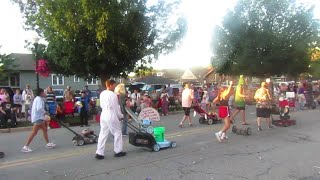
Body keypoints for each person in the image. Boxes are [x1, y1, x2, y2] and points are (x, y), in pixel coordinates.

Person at [95, 80, 126, 160]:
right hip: (111, 113)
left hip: (104, 114)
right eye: (114, 85)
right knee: (117, 132)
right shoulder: (113, 95)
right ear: (111, 85)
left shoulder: (102, 93)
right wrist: (120, 116)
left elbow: (101, 104)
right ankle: (118, 151)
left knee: (103, 133)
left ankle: (99, 152)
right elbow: (116, 107)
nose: (115, 86)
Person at [21, 88, 56, 153]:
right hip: (38, 118)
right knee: (34, 132)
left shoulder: (38, 98)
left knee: (45, 130)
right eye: (44, 92)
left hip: (40, 117)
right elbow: (39, 108)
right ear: (41, 93)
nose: (45, 93)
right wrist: (45, 113)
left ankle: (48, 143)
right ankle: (25, 146)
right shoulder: (39, 99)